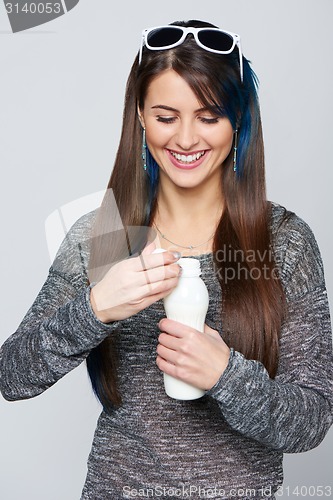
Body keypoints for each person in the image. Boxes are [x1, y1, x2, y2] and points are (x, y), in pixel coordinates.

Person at [0, 19, 332, 499]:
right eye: (166, 116)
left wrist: (226, 375)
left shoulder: (283, 242)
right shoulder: (109, 236)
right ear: (139, 114)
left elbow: (313, 421)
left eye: (209, 116)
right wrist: (96, 309)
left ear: (238, 120)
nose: (186, 139)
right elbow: (12, 376)